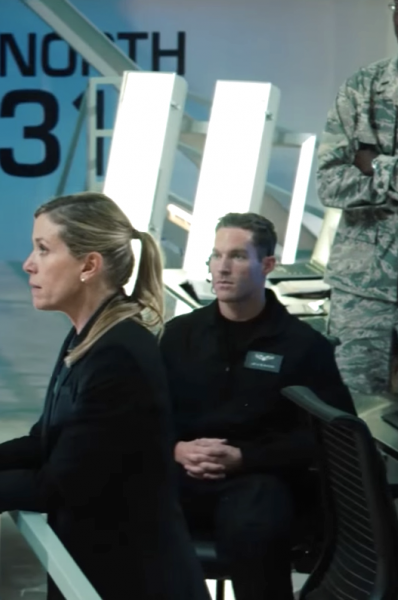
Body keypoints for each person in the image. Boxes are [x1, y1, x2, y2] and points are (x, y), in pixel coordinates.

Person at [0, 192, 210, 600]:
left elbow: (59, 485)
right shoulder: (92, 337)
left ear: (89, 265)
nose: (28, 264)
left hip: (134, 582)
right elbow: (46, 443)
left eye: (43, 249)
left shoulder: (119, 355)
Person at [161, 213, 355, 600]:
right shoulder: (180, 335)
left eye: (237, 256)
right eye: (216, 256)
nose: (222, 268)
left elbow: (332, 438)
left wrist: (244, 457)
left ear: (267, 265)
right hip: (182, 471)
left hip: (256, 482)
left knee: (256, 522)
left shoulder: (303, 346)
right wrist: (176, 449)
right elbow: (146, 414)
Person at [316, 5, 398, 394]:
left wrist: (375, 165)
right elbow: (330, 183)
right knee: (354, 414)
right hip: (364, 295)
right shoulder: (362, 88)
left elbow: (356, 174)